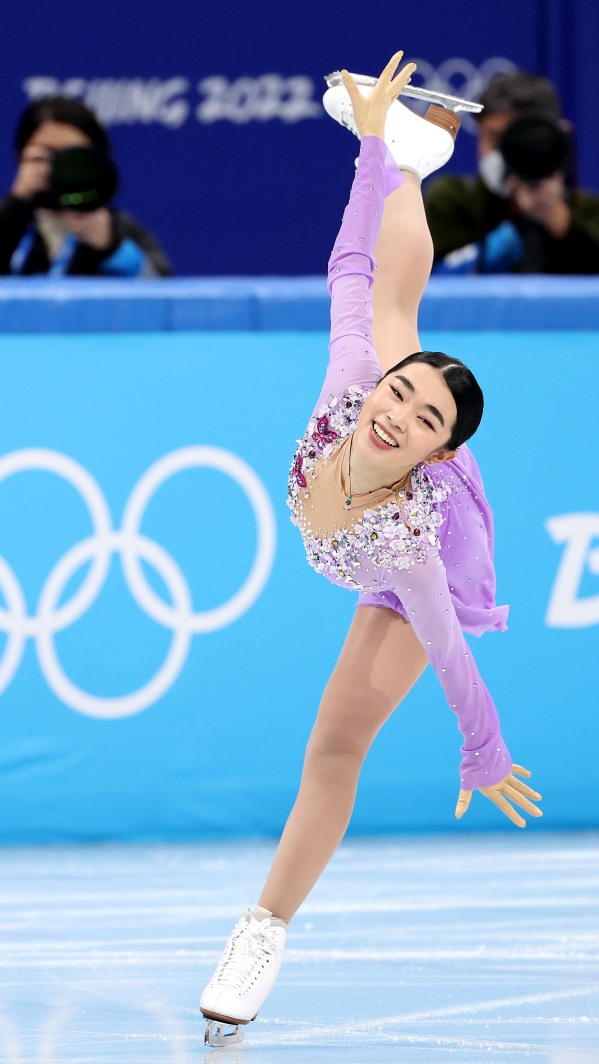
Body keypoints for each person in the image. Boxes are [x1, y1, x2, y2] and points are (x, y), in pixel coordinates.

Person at [199, 53, 542, 1046]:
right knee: (390, 303)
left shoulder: (412, 547)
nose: (398, 411)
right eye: (402, 396)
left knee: (336, 745)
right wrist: (369, 152)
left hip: (412, 554)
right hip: (370, 413)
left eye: (423, 415)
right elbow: (350, 266)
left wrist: (484, 750)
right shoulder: (361, 379)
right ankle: (413, 159)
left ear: (441, 449)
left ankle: (261, 931)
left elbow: (450, 650)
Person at [424, 70, 599, 275]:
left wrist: (557, 219)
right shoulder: (452, 201)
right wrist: (488, 250)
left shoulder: (596, 213)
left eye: (516, 139)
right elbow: (427, 284)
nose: (505, 152)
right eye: (494, 139)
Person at [0, 96, 171, 277]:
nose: (58, 167)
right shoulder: (8, 219)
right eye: (46, 154)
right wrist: (15, 205)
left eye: (73, 156)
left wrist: (111, 248)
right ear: (22, 155)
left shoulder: (119, 229)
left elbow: (163, 296)